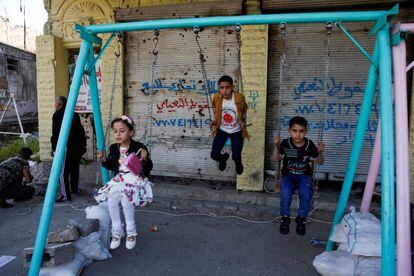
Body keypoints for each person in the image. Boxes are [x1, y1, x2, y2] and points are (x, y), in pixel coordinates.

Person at [96, 115, 153, 250]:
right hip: (119, 179)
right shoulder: (114, 148)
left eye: (122, 131)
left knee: (126, 200)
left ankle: (131, 232)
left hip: (134, 180)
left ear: (131, 132)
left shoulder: (139, 147)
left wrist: (144, 159)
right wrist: (104, 160)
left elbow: (148, 167)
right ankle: (117, 230)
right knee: (112, 200)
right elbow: (112, 165)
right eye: (115, 131)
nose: (118, 134)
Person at [273, 116, 325, 236]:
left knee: (306, 194)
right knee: (285, 193)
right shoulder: (286, 143)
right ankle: (285, 218)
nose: (298, 135)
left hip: (304, 176)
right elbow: (276, 159)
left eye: (301, 131)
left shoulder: (309, 144)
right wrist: (276, 146)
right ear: (289, 130)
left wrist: (320, 152)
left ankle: (301, 219)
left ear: (306, 132)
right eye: (294, 131)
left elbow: (320, 161)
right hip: (288, 176)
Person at [210, 75, 249, 175]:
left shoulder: (239, 98)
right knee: (214, 155)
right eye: (221, 88)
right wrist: (215, 121)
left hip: (236, 131)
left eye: (227, 87)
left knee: (236, 156)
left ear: (232, 87)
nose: (224, 90)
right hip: (222, 130)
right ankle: (223, 159)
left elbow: (244, 111)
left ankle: (238, 163)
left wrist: (243, 120)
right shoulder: (217, 97)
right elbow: (217, 111)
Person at [51, 96, 87, 202]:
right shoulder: (74, 114)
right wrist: (83, 145)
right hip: (77, 147)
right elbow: (81, 131)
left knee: (62, 171)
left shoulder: (57, 114)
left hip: (66, 146)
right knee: (74, 168)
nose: (54, 105)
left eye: (55, 102)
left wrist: (54, 148)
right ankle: (74, 189)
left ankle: (65, 195)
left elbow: (56, 133)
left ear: (59, 104)